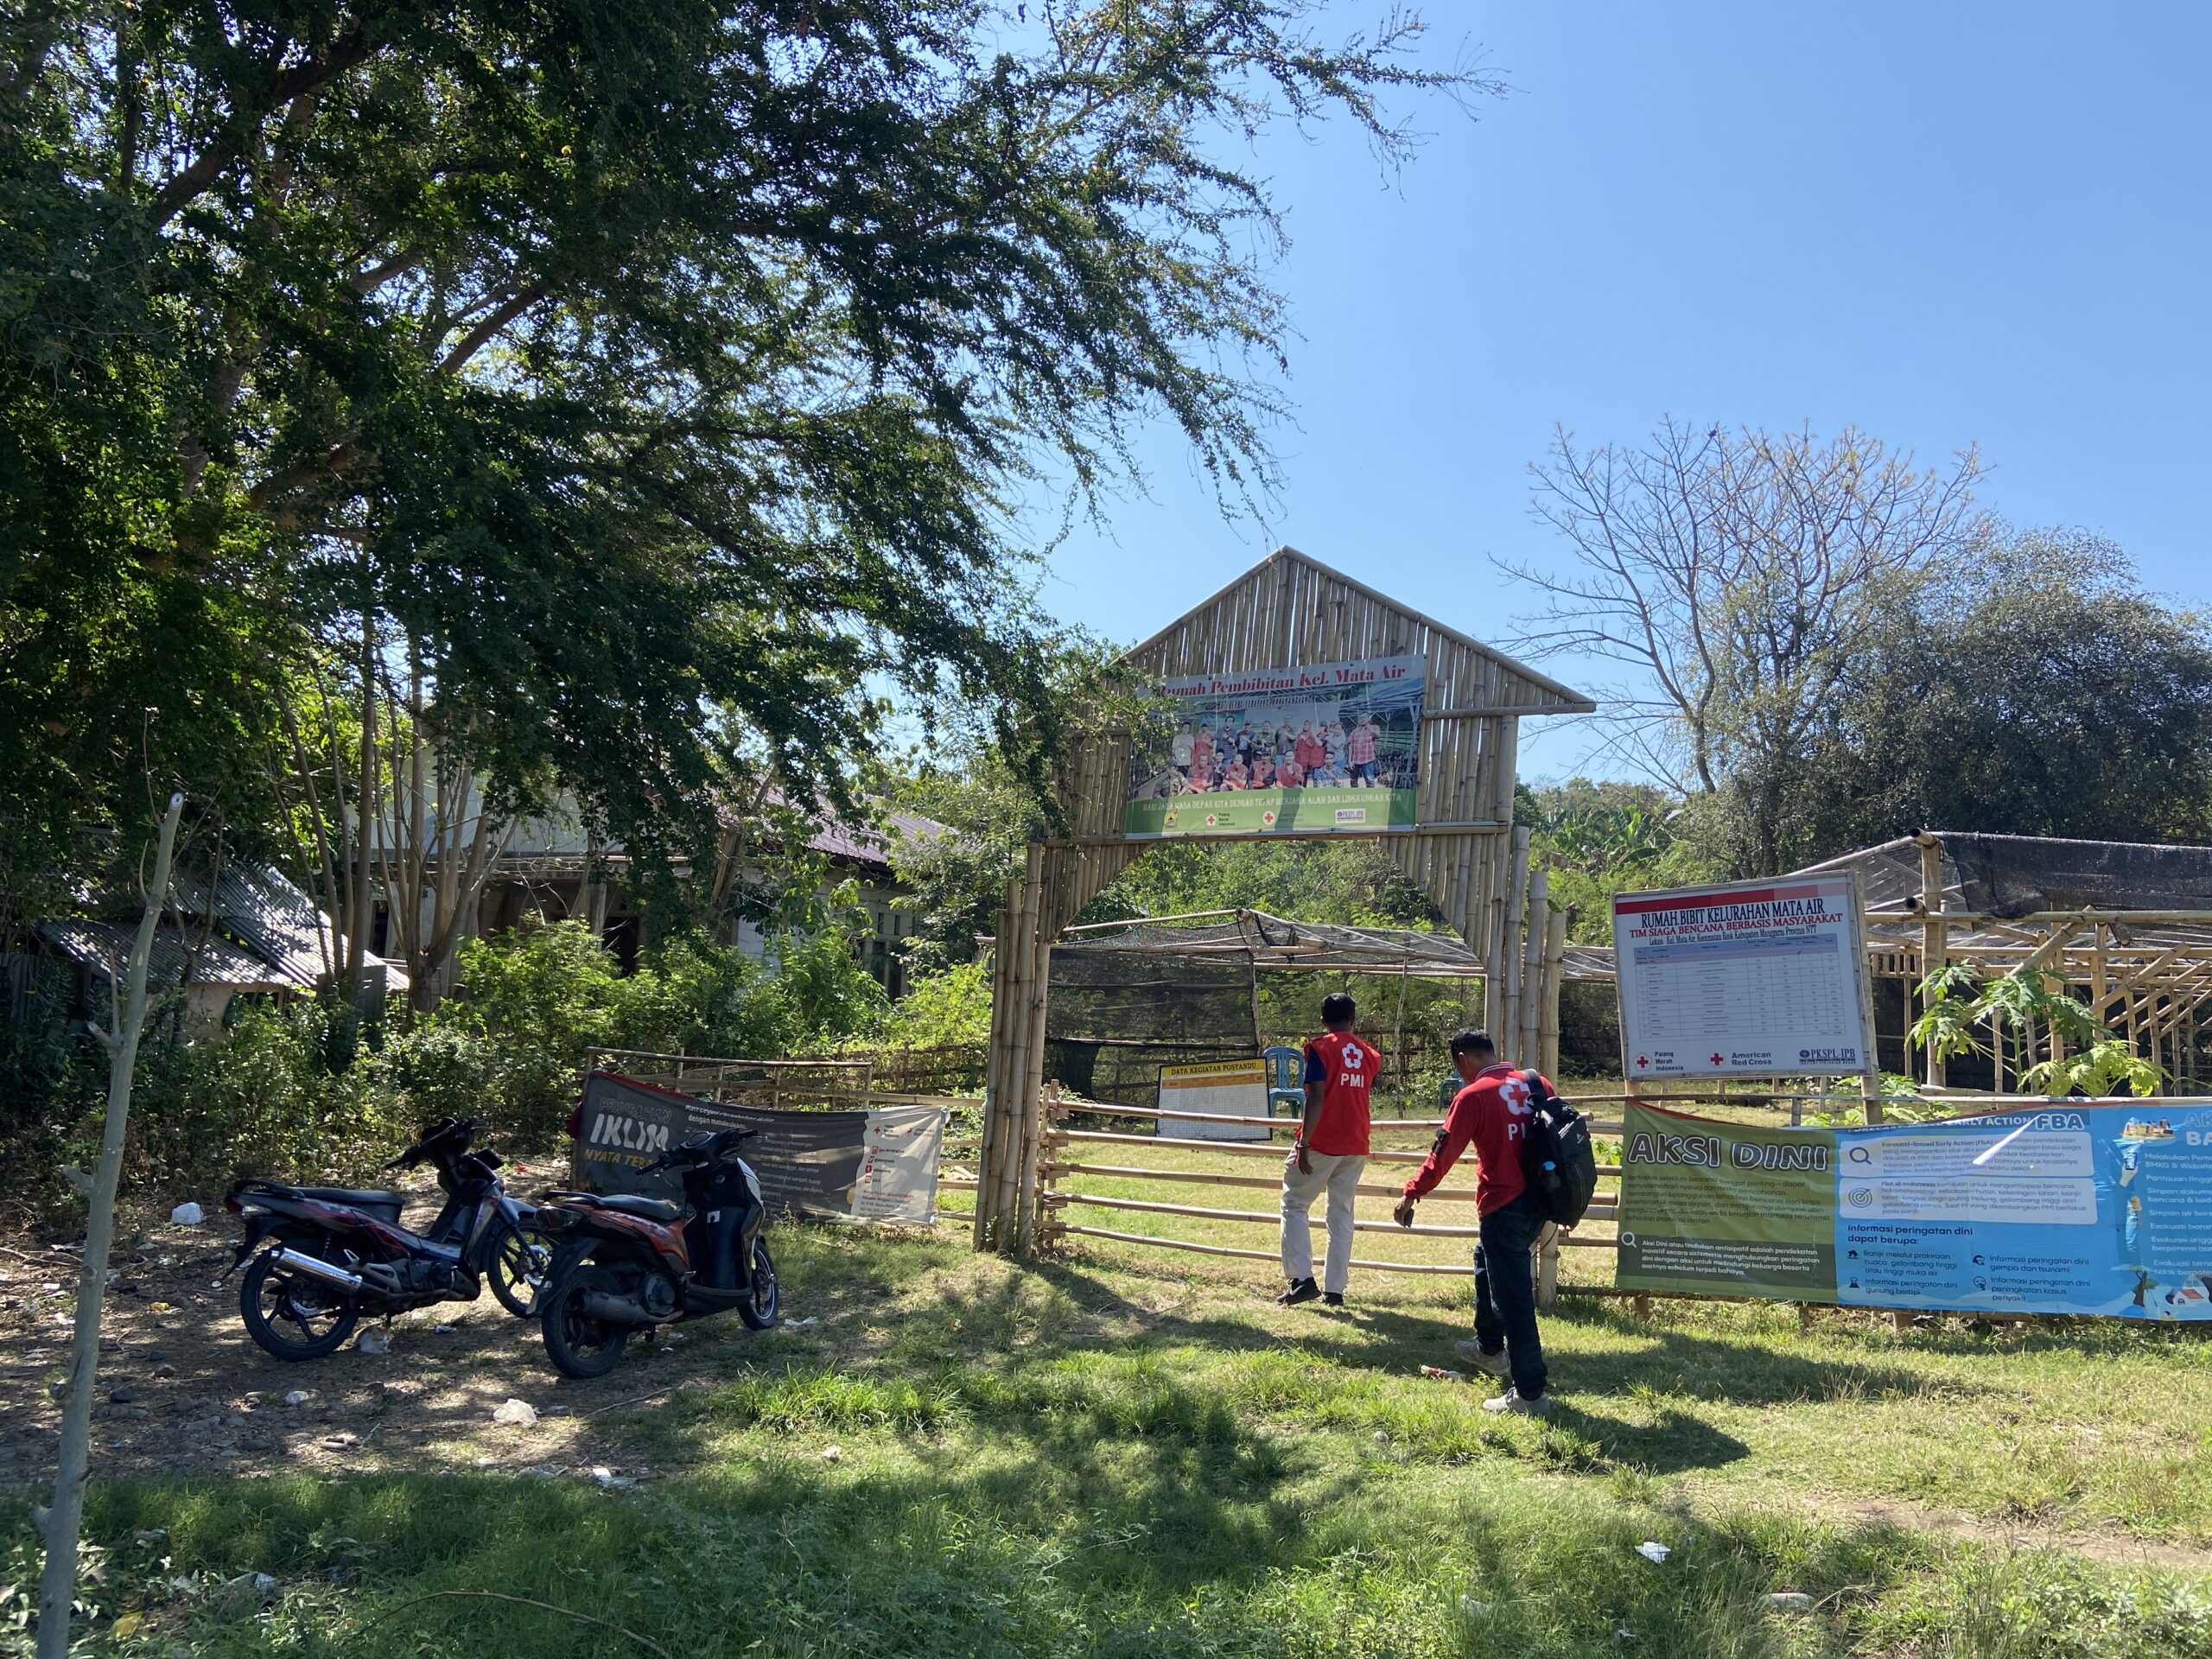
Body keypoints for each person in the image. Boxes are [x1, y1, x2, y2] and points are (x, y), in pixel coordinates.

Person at [1393, 1029, 1554, 1413]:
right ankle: (1489, 1348)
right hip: (1539, 1202)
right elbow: (1561, 1141)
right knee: (1486, 1261)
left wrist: (1412, 1191)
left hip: (1504, 1205)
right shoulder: (1537, 1083)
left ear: (1462, 1059)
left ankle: (1530, 1394)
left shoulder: (1472, 1096)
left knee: (1513, 1298)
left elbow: (1443, 1153)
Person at [1278, 991, 1378, 1307]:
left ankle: (1302, 1279)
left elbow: (1318, 1096)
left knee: (1294, 1202)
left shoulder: (1320, 1048)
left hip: (1323, 1140)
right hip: (1357, 1141)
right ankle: (1335, 1289)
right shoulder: (1370, 1054)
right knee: (1341, 1213)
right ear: (1353, 1019)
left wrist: (1304, 1142)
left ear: (1323, 1020)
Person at [1346, 714, 1378, 787]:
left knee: (1369, 780)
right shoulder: (1354, 731)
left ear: (1368, 718)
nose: (1362, 719)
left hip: (1368, 759)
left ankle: (1370, 797)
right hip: (1355, 760)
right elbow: (1350, 746)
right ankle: (1355, 796)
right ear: (1358, 721)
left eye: (1364, 717)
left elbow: (1378, 736)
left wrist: (1370, 729)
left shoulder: (1374, 728)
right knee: (1353, 781)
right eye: (1360, 718)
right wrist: (1350, 761)